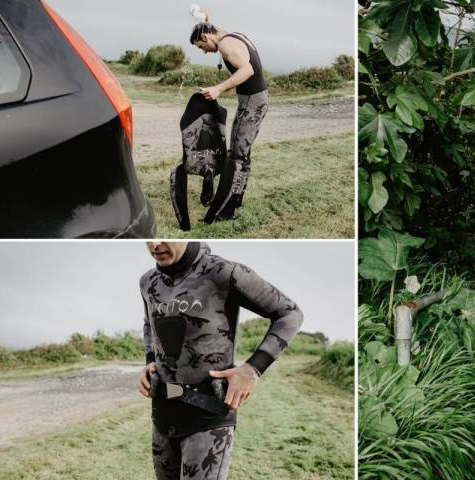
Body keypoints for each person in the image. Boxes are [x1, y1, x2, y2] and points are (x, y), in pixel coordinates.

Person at [137, 241, 303, 479]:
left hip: (209, 413)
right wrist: (149, 360)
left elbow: (289, 313)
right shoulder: (147, 281)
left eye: (165, 237)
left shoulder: (223, 272)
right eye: (149, 239)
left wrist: (253, 369)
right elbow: (149, 323)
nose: (155, 244)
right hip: (163, 412)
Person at [189, 20, 269, 221]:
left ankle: (226, 210)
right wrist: (205, 20)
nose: (205, 52)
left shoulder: (225, 45)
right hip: (257, 100)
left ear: (205, 37)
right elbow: (211, 29)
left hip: (252, 103)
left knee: (236, 156)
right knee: (242, 154)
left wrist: (218, 88)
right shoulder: (231, 35)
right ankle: (236, 199)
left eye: (201, 47)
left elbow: (247, 70)